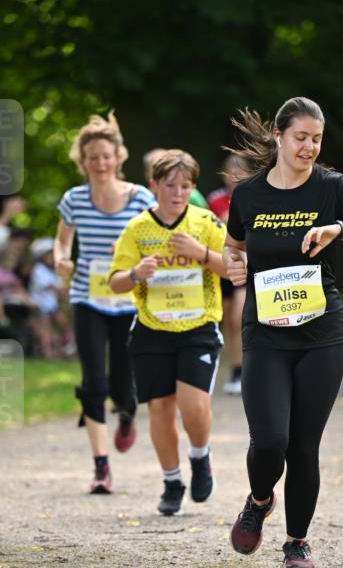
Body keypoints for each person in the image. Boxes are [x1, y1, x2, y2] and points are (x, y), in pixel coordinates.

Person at [223, 97, 343, 568]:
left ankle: (296, 541)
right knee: (270, 440)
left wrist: (339, 230)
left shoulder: (332, 188)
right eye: (301, 137)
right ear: (278, 136)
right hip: (266, 334)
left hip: (321, 335)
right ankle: (259, 501)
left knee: (303, 445)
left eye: (317, 139)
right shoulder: (249, 194)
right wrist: (233, 265)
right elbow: (233, 246)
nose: (310, 147)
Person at [109, 150, 227, 515]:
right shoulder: (137, 228)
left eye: (185, 186)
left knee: (193, 405)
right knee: (160, 409)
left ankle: (200, 456)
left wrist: (201, 252)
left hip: (198, 327)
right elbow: (114, 283)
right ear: (154, 185)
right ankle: (172, 481)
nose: (177, 193)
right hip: (152, 329)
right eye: (170, 185)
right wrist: (135, 275)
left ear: (192, 187)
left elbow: (235, 269)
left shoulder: (205, 222)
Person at [54, 113, 155, 494]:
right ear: (83, 160)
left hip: (128, 301)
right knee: (93, 382)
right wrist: (60, 258)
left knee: (123, 386)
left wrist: (132, 251)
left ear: (118, 158)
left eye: (106, 156)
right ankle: (101, 467)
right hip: (87, 298)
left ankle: (127, 414)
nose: (100, 163)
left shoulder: (139, 198)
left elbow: (154, 240)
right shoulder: (74, 199)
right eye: (92, 157)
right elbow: (62, 241)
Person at [207, 153, 247, 393]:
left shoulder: (252, 196)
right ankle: (236, 368)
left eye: (240, 171)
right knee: (228, 321)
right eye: (231, 171)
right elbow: (217, 224)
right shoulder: (215, 198)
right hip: (222, 263)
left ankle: (246, 368)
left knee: (239, 317)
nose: (235, 176)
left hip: (243, 263)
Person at [29, 237, 73, 359]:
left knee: (65, 325)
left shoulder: (53, 272)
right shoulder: (39, 269)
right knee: (45, 329)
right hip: (41, 305)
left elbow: (61, 288)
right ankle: (47, 352)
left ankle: (64, 348)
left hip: (52, 305)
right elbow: (53, 287)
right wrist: (66, 295)